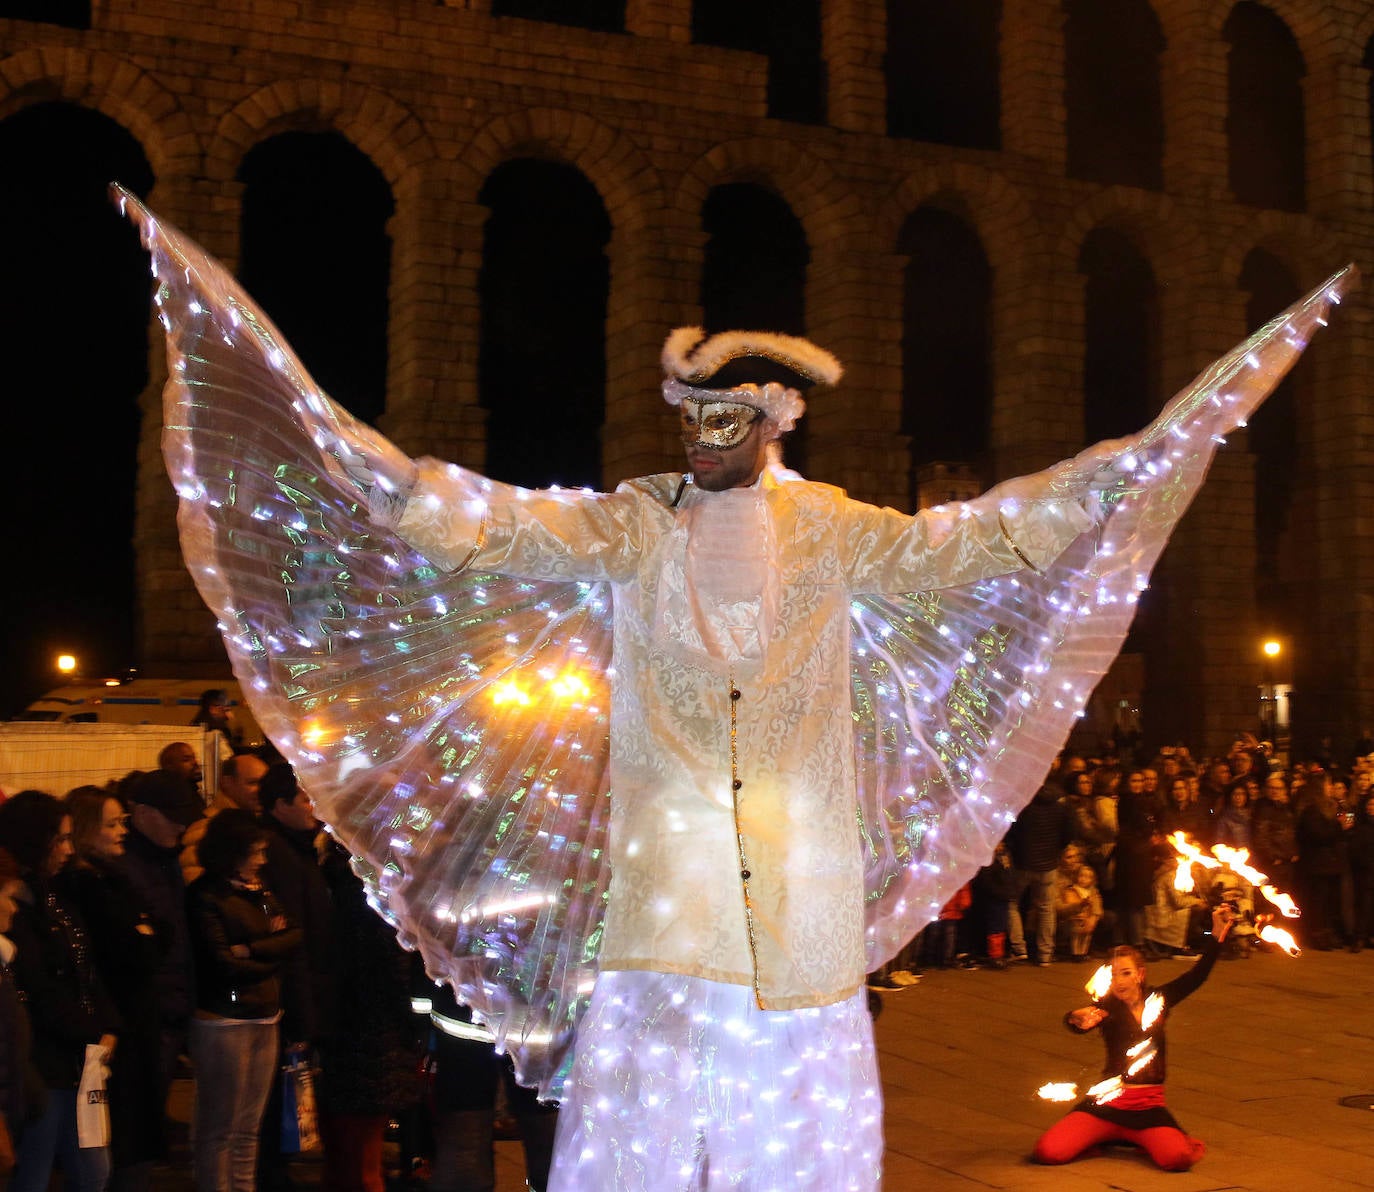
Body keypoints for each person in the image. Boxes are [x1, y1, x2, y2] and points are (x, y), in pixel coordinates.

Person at [122, 189, 1349, 1190]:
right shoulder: (632, 525)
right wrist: (370, 475)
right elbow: (489, 526)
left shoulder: (835, 530)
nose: (700, 433)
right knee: (640, 1138)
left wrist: (1137, 464)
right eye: (689, 412)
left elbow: (981, 539)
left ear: (777, 420)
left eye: (726, 415)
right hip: (666, 903)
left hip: (798, 906)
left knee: (794, 1140)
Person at [1033, 904, 1235, 1171]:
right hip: (1106, 1105)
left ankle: (1139, 1139)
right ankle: (1107, 1136)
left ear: (1140, 975)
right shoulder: (1107, 1008)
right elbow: (1079, 1021)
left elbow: (1197, 976)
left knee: (1178, 1159)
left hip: (1147, 1109)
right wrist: (1075, 1019)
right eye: (1114, 974)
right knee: (1049, 1152)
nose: (1119, 981)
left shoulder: (1159, 1000)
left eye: (1126, 973)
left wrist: (1217, 934)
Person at [0, 791, 118, 1192]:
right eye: (61, 839)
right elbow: (37, 984)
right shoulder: (18, 902)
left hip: (78, 1059)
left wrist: (106, 1026)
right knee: (34, 1173)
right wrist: (91, 1029)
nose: (69, 850)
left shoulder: (57, 894)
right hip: (43, 1063)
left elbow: (85, 965)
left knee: (93, 1171)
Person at [185, 808, 303, 1192]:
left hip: (265, 1014)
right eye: (256, 852)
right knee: (221, 1124)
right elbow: (220, 964)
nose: (262, 860)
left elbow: (293, 937)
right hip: (225, 1020)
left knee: (249, 1126)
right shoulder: (206, 896)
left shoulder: (261, 891)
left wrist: (252, 950)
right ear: (233, 851)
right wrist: (270, 955)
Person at [65, 787, 167, 1191]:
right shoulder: (86, 885)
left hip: (134, 1021)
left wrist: (145, 932)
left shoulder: (116, 877)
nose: (122, 831)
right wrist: (143, 932)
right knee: (117, 1140)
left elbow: (159, 934)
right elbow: (133, 947)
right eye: (112, 824)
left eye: (123, 821)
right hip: (115, 1027)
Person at [180, 751, 270, 884]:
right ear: (227, 782)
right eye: (252, 783)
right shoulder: (206, 830)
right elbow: (200, 885)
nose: (261, 790)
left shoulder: (255, 825)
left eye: (264, 784)